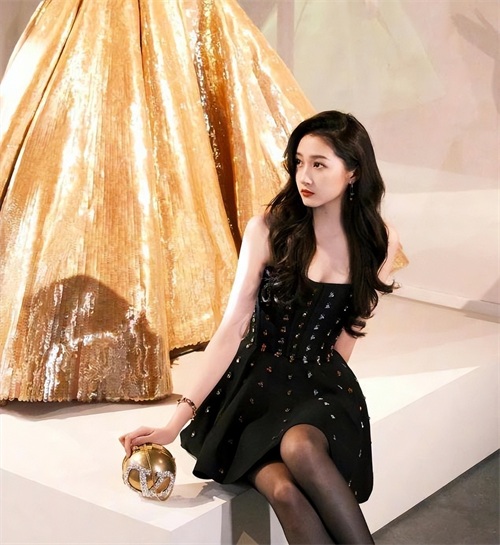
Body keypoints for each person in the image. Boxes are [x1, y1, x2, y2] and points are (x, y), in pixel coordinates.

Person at [120, 110, 401, 544]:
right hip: (252, 392)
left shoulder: (379, 240)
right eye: (299, 162)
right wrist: (175, 422)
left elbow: (347, 336)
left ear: (353, 172)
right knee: (285, 491)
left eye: (319, 164)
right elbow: (232, 327)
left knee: (300, 447)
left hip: (320, 390)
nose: (304, 175)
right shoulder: (269, 230)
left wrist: (324, 401)